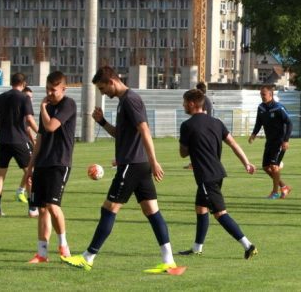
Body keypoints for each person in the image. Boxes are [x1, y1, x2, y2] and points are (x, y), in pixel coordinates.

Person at [62, 66, 178, 274]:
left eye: (102, 87)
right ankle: (169, 260)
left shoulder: (131, 100)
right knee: (152, 211)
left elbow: (144, 130)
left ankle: (88, 257)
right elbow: (121, 134)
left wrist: (154, 161)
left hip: (133, 165)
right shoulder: (123, 102)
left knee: (109, 208)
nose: (101, 92)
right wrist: (102, 122)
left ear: (112, 82)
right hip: (135, 163)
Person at [177, 89, 258, 259]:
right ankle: (197, 248)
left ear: (192, 103)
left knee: (220, 213)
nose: (183, 105)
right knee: (201, 209)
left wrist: (191, 145)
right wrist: (246, 162)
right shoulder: (217, 122)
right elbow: (233, 143)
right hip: (217, 173)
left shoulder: (187, 126)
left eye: (184, 102)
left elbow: (183, 153)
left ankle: (248, 245)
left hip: (206, 176)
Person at [24, 71, 76, 263]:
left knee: (53, 206)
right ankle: (42, 253)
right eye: (47, 89)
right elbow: (40, 137)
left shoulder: (68, 104)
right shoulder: (46, 107)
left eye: (53, 90)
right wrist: (30, 166)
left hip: (59, 163)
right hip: (43, 163)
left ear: (64, 88)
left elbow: (51, 126)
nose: (49, 93)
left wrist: (43, 108)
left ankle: (64, 246)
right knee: (42, 209)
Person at [0, 73, 39, 216]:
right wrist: (42, 132)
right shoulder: (24, 98)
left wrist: (2, 124)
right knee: (30, 174)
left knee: (0, 176)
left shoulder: (1, 97)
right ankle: (32, 208)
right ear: (23, 83)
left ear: (12, 82)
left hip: (3, 141)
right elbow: (29, 119)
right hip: (19, 141)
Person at [249, 85, 293, 199]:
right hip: (269, 141)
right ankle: (284, 187)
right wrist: (254, 134)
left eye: (264, 94)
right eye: (261, 94)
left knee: (274, 166)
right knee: (265, 167)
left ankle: (275, 192)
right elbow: (259, 122)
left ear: (270, 95)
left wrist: (286, 140)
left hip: (279, 141)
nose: (262, 96)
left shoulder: (279, 108)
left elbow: (289, 123)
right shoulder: (261, 108)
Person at [184, 82, 214, 169]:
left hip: (202, 127)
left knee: (196, 145)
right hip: (208, 126)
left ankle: (194, 164)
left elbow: (203, 113)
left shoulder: (202, 101)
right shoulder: (207, 99)